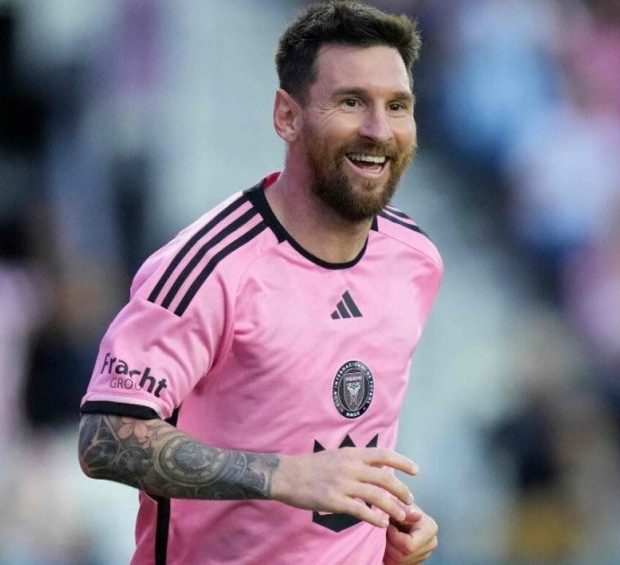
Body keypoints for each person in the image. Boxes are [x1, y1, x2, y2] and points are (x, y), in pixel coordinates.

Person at [77, 2, 442, 563]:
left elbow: (340, 444)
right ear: (287, 117)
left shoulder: (414, 259)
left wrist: (392, 524)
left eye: (397, 106)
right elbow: (105, 436)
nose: (378, 130)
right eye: (351, 102)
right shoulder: (210, 266)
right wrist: (282, 475)